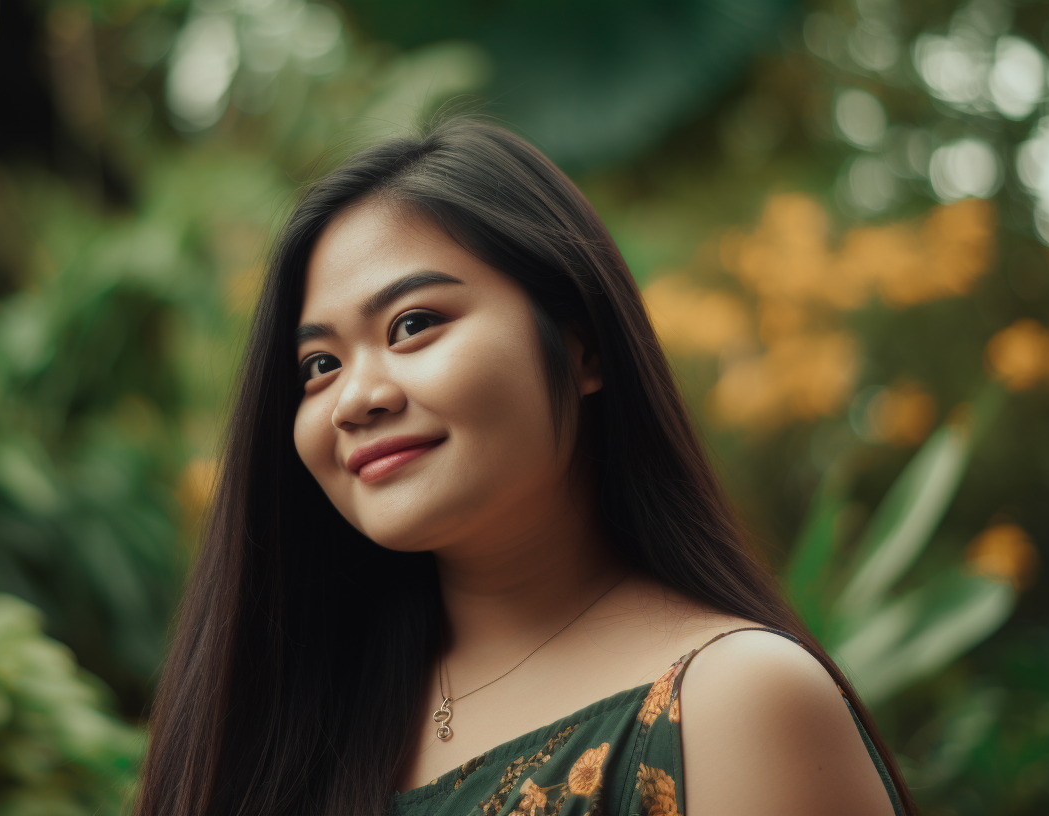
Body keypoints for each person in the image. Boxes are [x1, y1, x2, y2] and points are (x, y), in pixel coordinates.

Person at [135, 113, 915, 816]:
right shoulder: (286, 724)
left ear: (583, 345)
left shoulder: (734, 704)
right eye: (317, 366)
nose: (354, 399)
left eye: (412, 324)